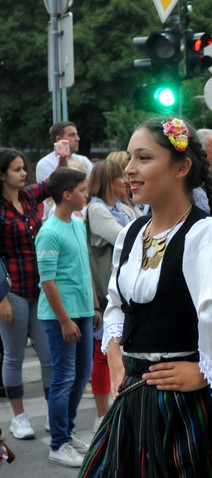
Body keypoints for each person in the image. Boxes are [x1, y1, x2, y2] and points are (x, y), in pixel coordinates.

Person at [80, 117, 212, 477]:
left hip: (188, 410)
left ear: (181, 167)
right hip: (135, 397)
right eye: (130, 159)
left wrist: (206, 372)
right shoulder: (133, 231)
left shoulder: (205, 232)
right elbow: (117, 302)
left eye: (144, 158)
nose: (130, 170)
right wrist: (117, 354)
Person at [35, 167, 98, 468]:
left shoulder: (77, 223)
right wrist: (64, 321)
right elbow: (47, 282)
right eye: (83, 189)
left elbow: (83, 270)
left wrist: (95, 306)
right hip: (61, 317)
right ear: (67, 195)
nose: (86, 194)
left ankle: (67, 432)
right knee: (63, 378)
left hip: (84, 312)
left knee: (81, 375)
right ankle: (58, 444)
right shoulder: (48, 232)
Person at [0, 148, 60, 441]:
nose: (24, 173)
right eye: (16, 169)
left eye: (24, 167)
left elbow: (57, 181)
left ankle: (52, 414)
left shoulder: (27, 197)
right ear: (2, 175)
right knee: (13, 357)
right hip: (12, 292)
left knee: (48, 355)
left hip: (38, 289)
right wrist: (1, 298)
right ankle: (18, 417)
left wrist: (60, 156)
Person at [85, 160, 137, 431]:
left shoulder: (123, 207)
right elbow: (125, 238)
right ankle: (102, 413)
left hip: (125, 288)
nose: (126, 182)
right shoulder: (96, 209)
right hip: (107, 291)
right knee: (103, 353)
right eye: (120, 178)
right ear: (108, 181)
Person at [36, 122, 93, 218]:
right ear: (58, 139)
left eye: (77, 134)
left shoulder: (84, 160)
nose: (77, 139)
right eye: (72, 135)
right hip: (55, 216)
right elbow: (53, 192)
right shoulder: (44, 164)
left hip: (83, 212)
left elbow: (92, 188)